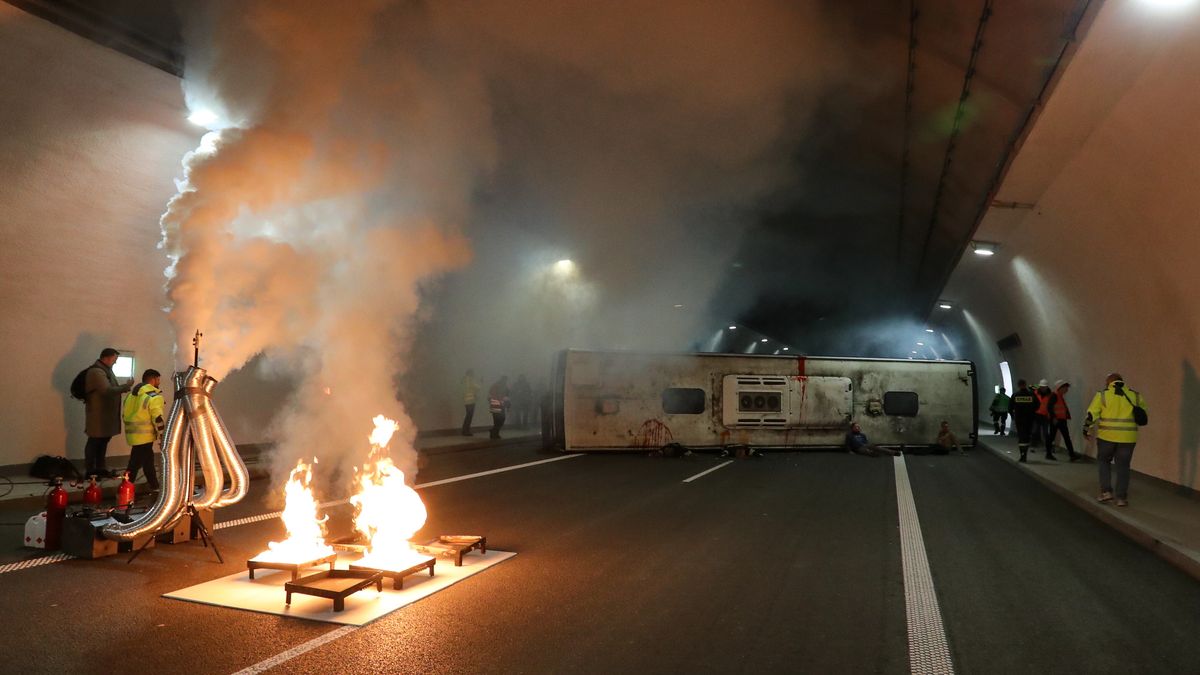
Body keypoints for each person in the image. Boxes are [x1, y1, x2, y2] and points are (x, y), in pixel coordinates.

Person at [1083, 373, 1146, 507]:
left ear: (1109, 383)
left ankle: (1106, 492)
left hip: (1106, 437)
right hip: (1128, 438)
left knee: (1104, 462)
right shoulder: (1135, 395)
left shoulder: (1102, 395)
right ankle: (1121, 498)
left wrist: (1086, 430)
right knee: (1123, 467)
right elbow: (1143, 414)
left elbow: (1091, 415)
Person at [82, 348, 133, 478]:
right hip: (98, 416)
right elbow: (107, 390)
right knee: (95, 442)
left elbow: (110, 388)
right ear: (107, 358)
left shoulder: (106, 370)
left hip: (104, 415)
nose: (115, 362)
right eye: (114, 359)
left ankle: (100, 469)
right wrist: (125, 386)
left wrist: (123, 387)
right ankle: (91, 471)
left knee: (102, 442)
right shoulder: (97, 372)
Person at [123, 369, 165, 491]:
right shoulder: (154, 397)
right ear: (154, 379)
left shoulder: (131, 396)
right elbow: (157, 418)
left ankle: (154, 485)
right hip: (145, 435)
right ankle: (125, 489)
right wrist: (163, 435)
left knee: (148, 461)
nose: (159, 382)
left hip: (133, 434)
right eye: (158, 379)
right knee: (134, 465)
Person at [1046, 379, 1081, 462]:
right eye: (1065, 388)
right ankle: (1048, 454)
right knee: (1052, 437)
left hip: (1061, 419)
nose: (1067, 390)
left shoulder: (1059, 396)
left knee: (1065, 437)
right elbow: (1049, 407)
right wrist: (1054, 418)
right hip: (1056, 420)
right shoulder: (1054, 395)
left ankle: (1072, 455)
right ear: (1060, 388)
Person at [1010, 379, 1038, 463]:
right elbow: (1038, 405)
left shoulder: (1015, 395)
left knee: (1021, 437)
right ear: (1025, 384)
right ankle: (1025, 454)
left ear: (1018, 385)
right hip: (1029, 419)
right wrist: (1032, 412)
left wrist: (1013, 416)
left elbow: (1010, 407)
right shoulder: (1031, 395)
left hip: (1019, 419)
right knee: (1027, 436)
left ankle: (1022, 456)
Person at [1033, 379, 1054, 455]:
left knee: (1046, 432)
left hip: (1045, 415)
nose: (1043, 388)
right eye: (1041, 387)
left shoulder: (1050, 395)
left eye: (1044, 387)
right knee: (1035, 430)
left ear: (1047, 387)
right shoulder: (1035, 393)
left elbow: (1051, 405)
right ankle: (1034, 444)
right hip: (1037, 415)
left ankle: (1048, 447)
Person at [488, 376, 510, 440]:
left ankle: (494, 432)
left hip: (496, 405)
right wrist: (508, 405)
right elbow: (506, 397)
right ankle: (495, 433)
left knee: (498, 420)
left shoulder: (496, 386)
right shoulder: (502, 387)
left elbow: (490, 396)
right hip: (498, 405)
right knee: (500, 420)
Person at [460, 369, 481, 436]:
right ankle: (466, 431)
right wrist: (481, 382)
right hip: (471, 400)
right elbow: (477, 388)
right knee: (469, 416)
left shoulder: (463, 380)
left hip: (466, 400)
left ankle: (464, 430)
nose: (474, 375)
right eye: (473, 373)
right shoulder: (469, 380)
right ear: (470, 373)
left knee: (468, 416)